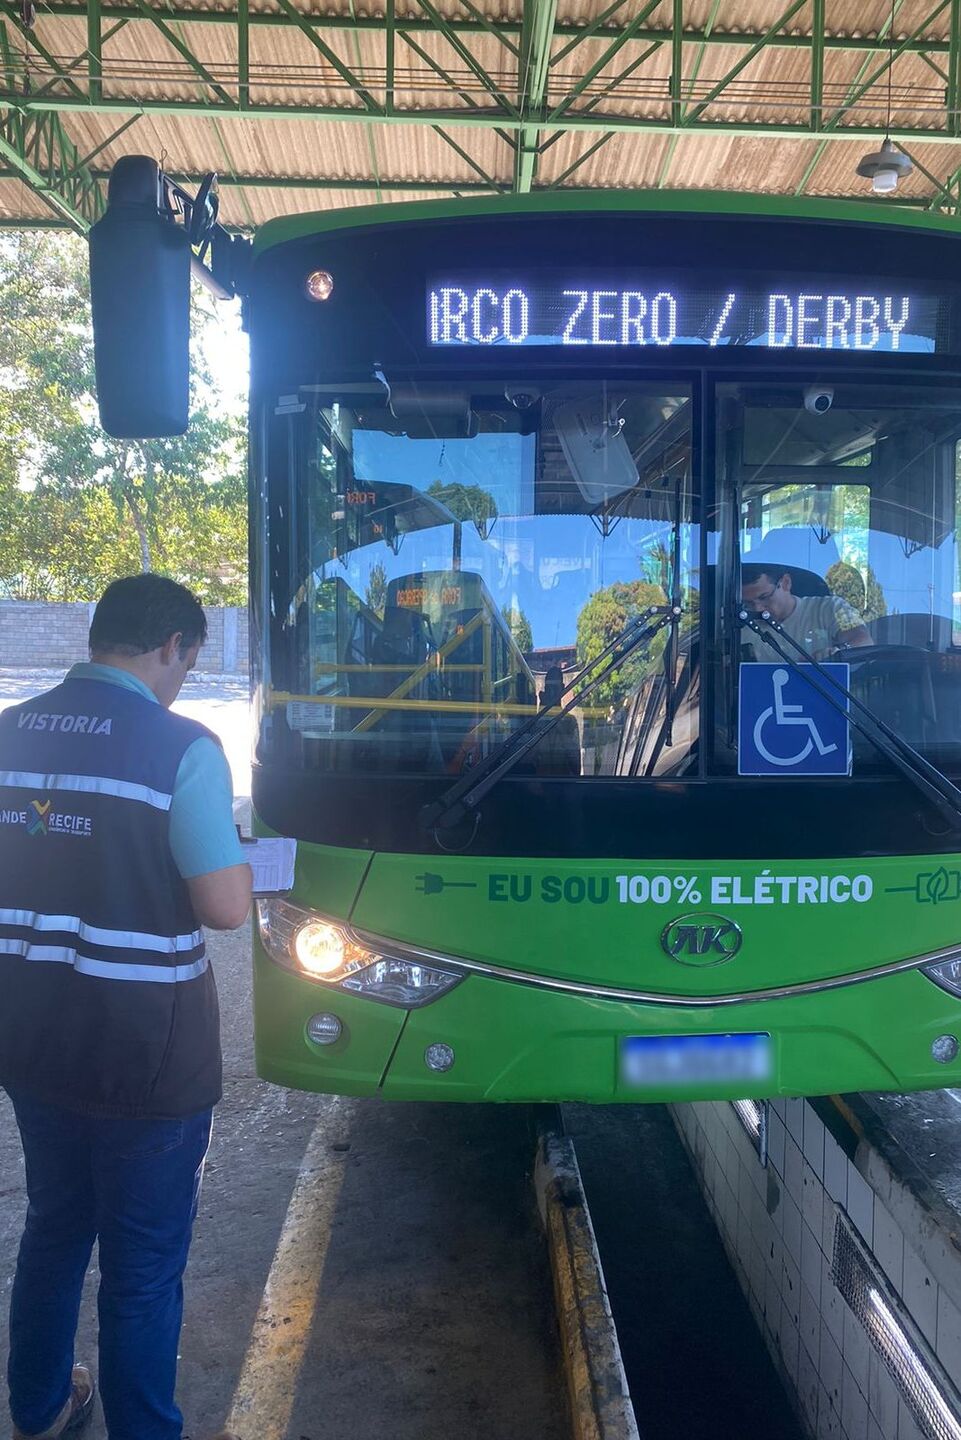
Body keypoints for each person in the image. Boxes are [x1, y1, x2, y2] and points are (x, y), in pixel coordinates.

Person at [0, 574, 252, 1440]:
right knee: (143, 1268)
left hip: (28, 1035)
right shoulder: (180, 746)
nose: (183, 678)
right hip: (145, 1051)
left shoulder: (9, 731)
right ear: (174, 647)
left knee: (55, 1224)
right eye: (188, 660)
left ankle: (36, 1408)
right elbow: (222, 906)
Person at [740, 562, 872, 662]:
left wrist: (838, 652)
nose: (757, 609)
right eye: (748, 603)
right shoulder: (739, 625)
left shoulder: (831, 608)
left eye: (764, 597)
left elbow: (864, 642)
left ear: (786, 583)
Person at [532, 665, 581, 776]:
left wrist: (560, 727)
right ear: (544, 689)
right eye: (550, 688)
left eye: (556, 688)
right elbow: (532, 758)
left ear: (563, 688)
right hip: (540, 783)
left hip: (564, 782)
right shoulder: (537, 722)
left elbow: (576, 765)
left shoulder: (570, 722)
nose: (552, 693)